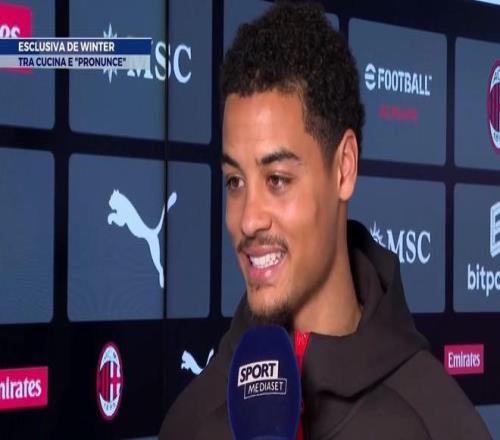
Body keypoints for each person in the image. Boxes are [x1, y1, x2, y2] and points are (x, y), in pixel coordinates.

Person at [160, 2, 491, 439]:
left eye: (277, 180)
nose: (248, 219)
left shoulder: (439, 424)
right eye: (235, 181)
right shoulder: (191, 421)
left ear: (344, 168)